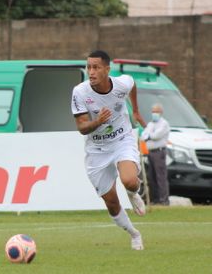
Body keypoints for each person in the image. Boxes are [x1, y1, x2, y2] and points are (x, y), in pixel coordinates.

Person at [71, 50, 147, 250]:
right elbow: (81, 127)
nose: (91, 72)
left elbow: (132, 84)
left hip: (122, 139)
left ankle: (133, 193)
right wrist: (98, 121)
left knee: (130, 180)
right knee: (112, 203)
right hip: (96, 150)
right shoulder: (80, 92)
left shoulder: (121, 84)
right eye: (89, 67)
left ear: (107, 69)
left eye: (96, 67)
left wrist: (136, 110)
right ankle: (134, 234)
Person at [140, 103, 170, 205]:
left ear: (161, 112)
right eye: (153, 111)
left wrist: (149, 135)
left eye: (156, 111)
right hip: (150, 153)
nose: (154, 113)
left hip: (159, 152)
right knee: (151, 176)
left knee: (160, 176)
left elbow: (157, 135)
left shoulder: (164, 123)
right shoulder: (150, 124)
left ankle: (164, 200)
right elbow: (143, 135)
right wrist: (148, 135)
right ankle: (155, 199)